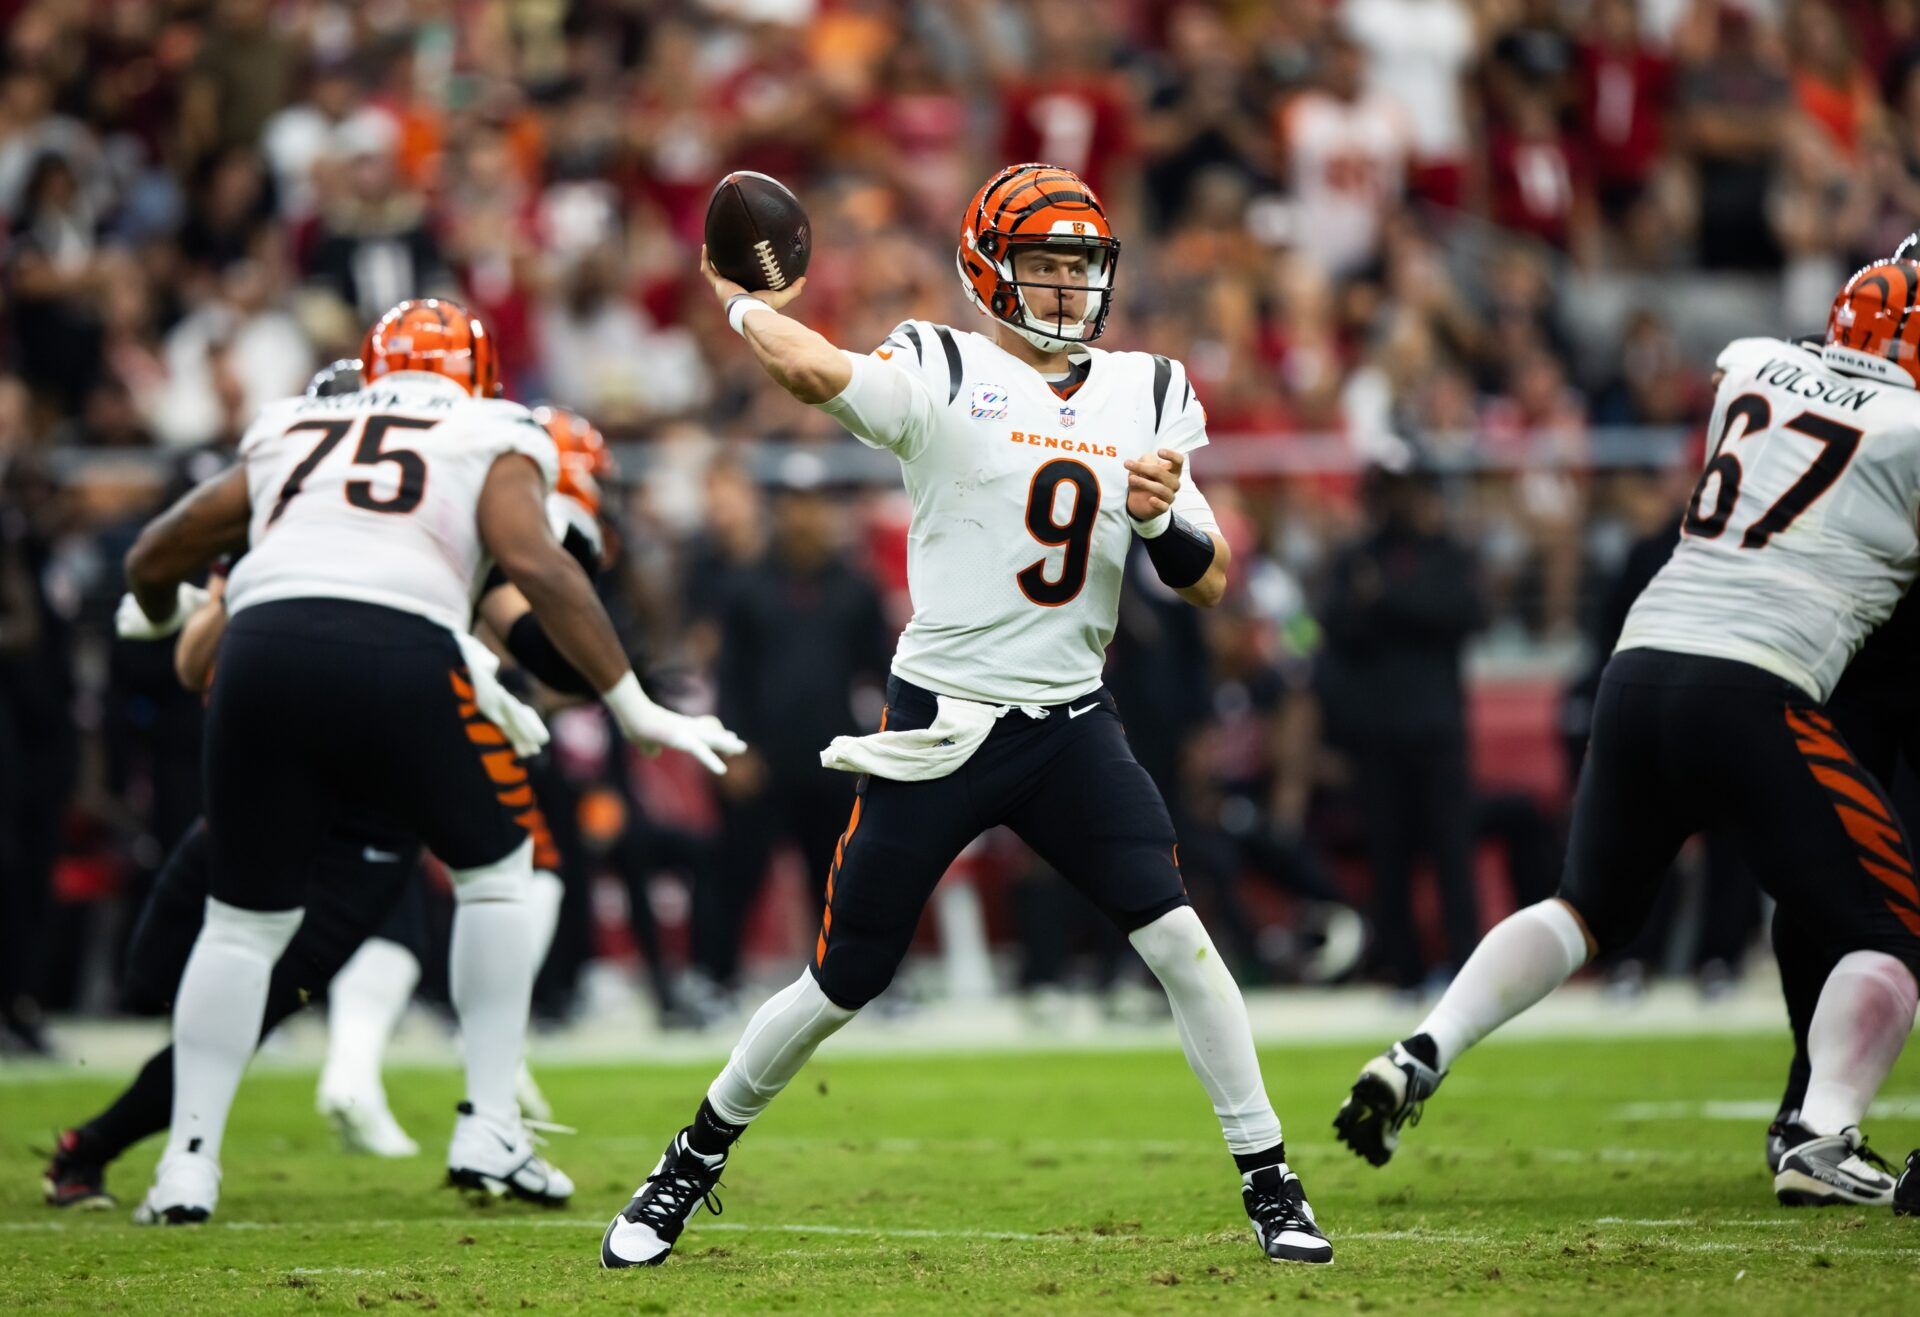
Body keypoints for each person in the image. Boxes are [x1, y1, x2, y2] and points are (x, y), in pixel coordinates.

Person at [600, 162, 1333, 1270]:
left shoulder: (1147, 387)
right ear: (991, 271)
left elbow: (1211, 576)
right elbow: (813, 373)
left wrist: (1165, 523)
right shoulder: (943, 366)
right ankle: (688, 1164)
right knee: (846, 977)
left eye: (1079, 267)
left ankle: (1271, 1180)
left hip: (1072, 722)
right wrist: (744, 303)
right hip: (943, 722)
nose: (1065, 288)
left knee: (1180, 939)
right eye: (1042, 267)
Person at [115, 298, 745, 1225]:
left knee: (242, 923)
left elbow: (157, 548)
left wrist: (165, 612)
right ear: (480, 377)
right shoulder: (493, 427)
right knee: (499, 867)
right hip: (392, 649)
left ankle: (186, 1165)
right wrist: (634, 702)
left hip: (262, 650)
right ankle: (489, 1122)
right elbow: (541, 566)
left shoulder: (296, 422)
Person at [1333, 252, 1920, 1209]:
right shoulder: (1908, 424)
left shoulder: (1753, 366)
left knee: (1584, 907)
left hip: (1640, 664)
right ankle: (1822, 1133)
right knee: (1891, 926)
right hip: (1758, 683)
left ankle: (1425, 1044)